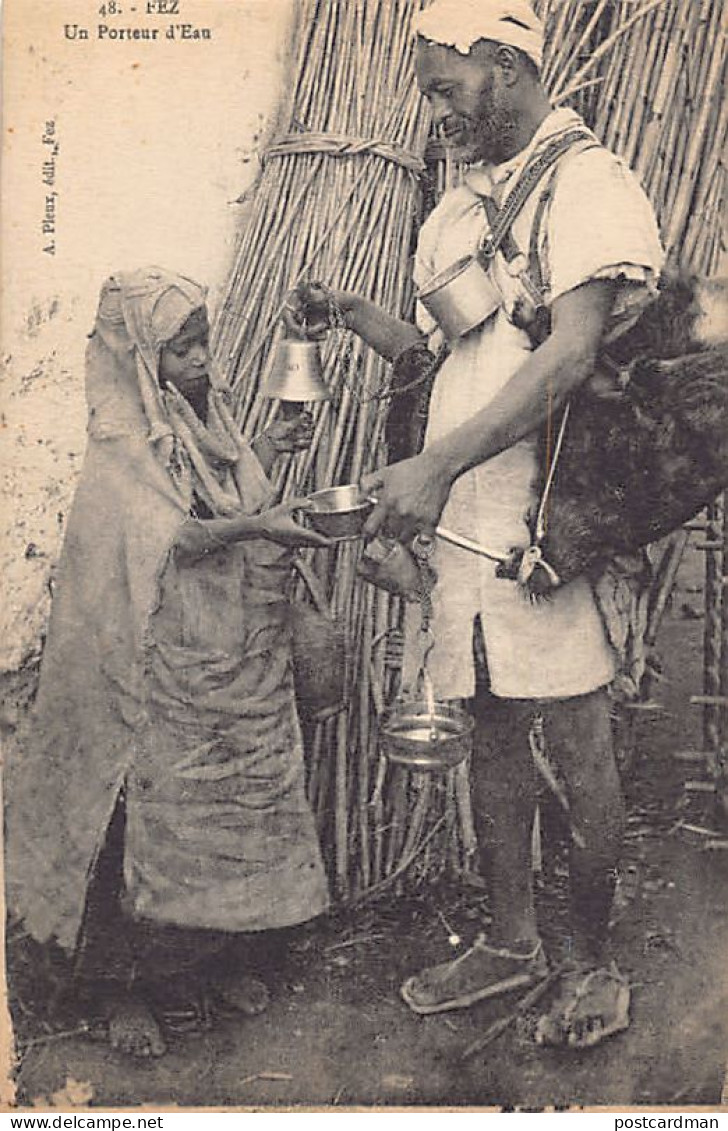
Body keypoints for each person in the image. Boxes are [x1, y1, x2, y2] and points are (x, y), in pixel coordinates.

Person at [287, 0, 664, 1049]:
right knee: (492, 736)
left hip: (545, 531)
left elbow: (568, 353)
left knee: (577, 746)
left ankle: (591, 966)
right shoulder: (461, 209)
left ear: (502, 66)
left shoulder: (588, 185)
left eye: (447, 89)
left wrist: (438, 465)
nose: (435, 113)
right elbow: (438, 359)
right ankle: (509, 945)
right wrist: (352, 318)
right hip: (463, 530)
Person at [5, 267, 331, 1058]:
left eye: (204, 342)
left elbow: (216, 496)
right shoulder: (122, 439)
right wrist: (265, 529)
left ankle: (202, 968)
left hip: (213, 659)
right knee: (144, 824)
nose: (201, 360)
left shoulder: (194, 417)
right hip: (144, 676)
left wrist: (261, 450)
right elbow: (174, 537)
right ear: (141, 354)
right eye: (182, 347)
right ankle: (121, 992)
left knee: (211, 817)